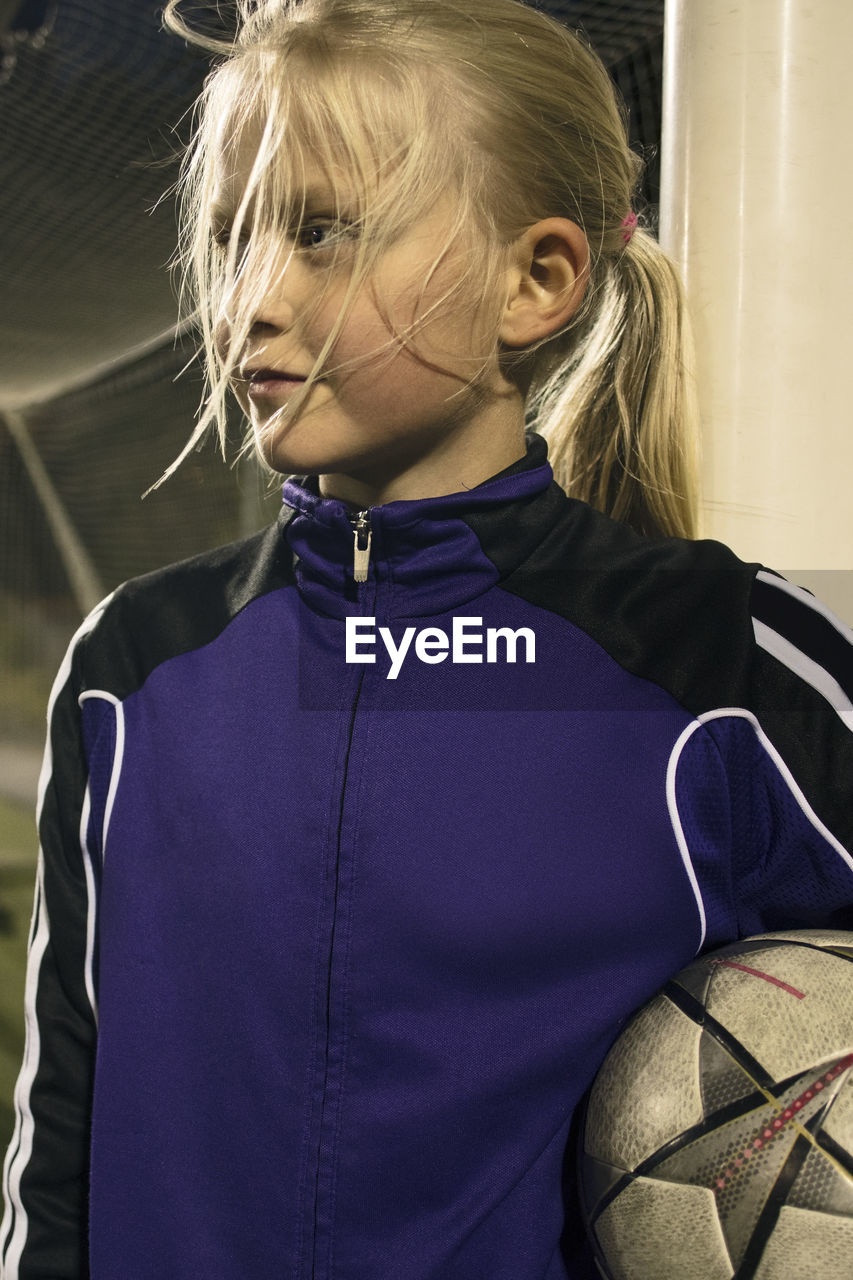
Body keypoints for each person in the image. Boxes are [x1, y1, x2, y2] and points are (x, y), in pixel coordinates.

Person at [2, 1, 852, 1276]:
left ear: (538, 279)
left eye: (322, 232)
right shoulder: (137, 668)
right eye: (233, 235)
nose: (253, 296)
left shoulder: (717, 665)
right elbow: (58, 1140)